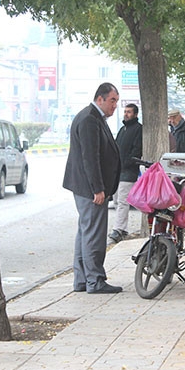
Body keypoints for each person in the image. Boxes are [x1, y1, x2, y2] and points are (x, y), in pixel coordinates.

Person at [63, 83, 123, 294]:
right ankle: (95, 280)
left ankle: (82, 280)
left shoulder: (93, 117)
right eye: (112, 100)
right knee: (94, 235)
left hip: (85, 186)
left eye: (116, 101)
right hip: (90, 188)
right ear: (100, 99)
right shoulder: (89, 119)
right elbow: (90, 157)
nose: (115, 106)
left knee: (85, 232)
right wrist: (98, 188)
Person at [109, 103, 142, 244]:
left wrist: (126, 163)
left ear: (135, 114)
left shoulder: (138, 129)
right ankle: (121, 228)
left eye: (129, 112)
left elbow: (137, 150)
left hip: (129, 171)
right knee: (116, 200)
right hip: (118, 171)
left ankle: (119, 229)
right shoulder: (123, 129)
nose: (126, 114)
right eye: (125, 111)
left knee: (123, 201)